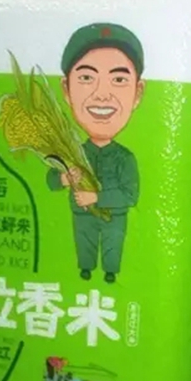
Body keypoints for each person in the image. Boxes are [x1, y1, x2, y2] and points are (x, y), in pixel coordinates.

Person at [47, 23, 145, 284]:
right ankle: (86, 269)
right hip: (82, 214)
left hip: (115, 215)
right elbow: (51, 180)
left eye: (119, 80)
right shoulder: (72, 151)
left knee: (113, 243)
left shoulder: (125, 157)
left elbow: (130, 195)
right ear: (66, 90)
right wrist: (64, 179)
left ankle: (111, 272)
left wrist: (96, 197)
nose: (102, 95)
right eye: (86, 78)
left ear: (138, 93)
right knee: (84, 240)